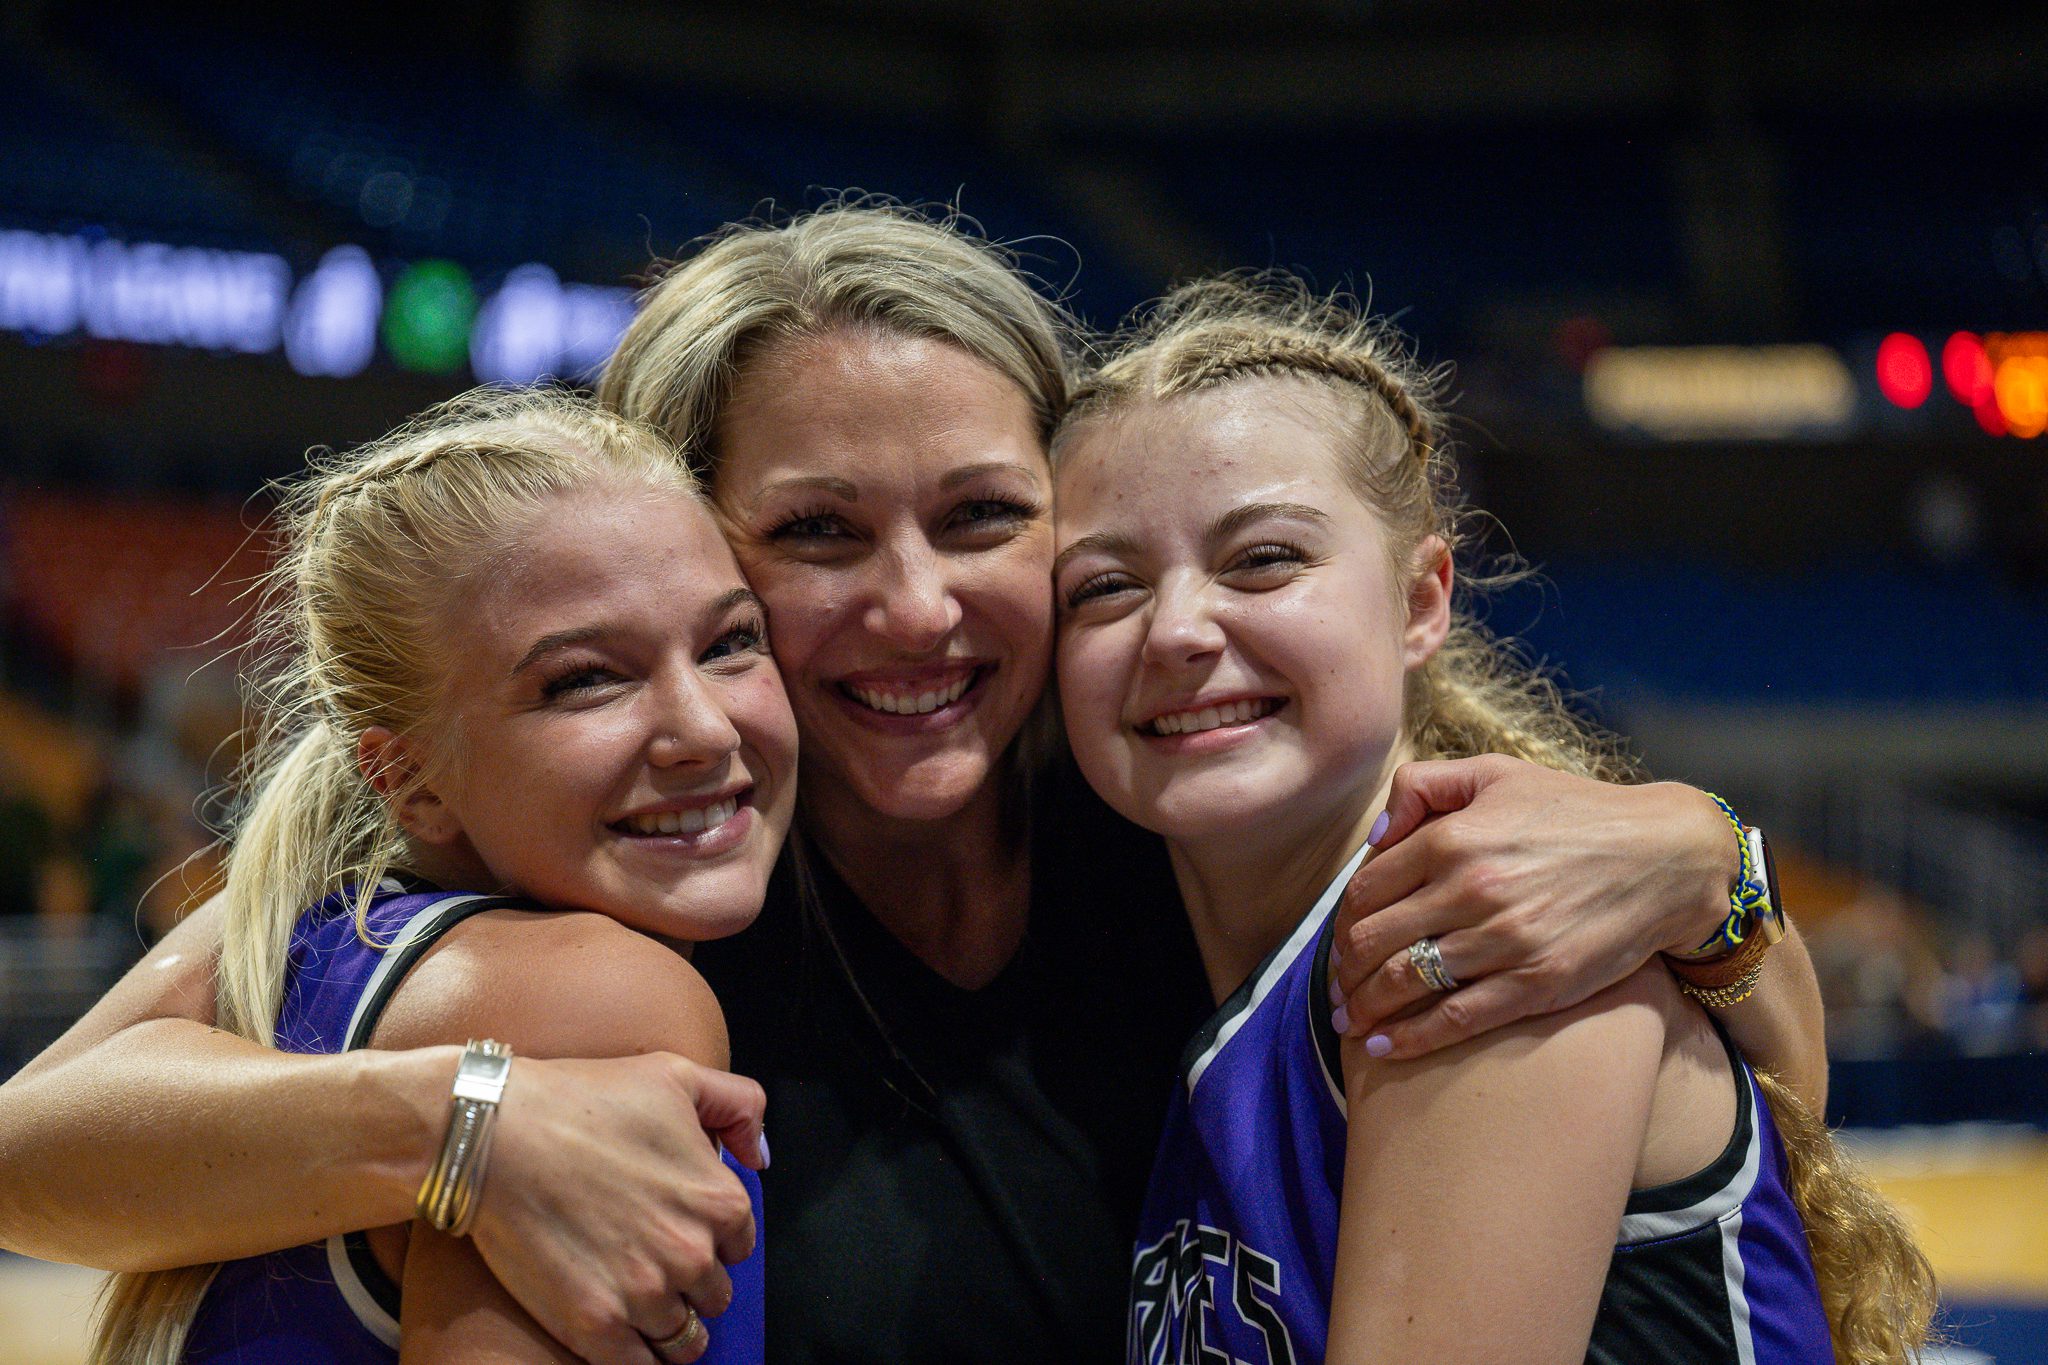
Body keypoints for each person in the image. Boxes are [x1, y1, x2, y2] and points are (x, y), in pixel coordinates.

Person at [0, 203, 1826, 1365]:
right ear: (683, 546)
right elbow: (36, 1149)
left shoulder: (1191, 814)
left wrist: (1706, 867)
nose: (915, 607)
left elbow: (1763, 1121)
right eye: (814, 534)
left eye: (981, 519)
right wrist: (462, 1121)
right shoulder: (618, 891)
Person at [1049, 274, 1934, 1364]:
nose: (1177, 628)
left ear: (1421, 600)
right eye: (1103, 586)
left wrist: (1715, 865)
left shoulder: (1490, 936)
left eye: (1263, 559)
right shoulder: (1187, 958)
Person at [91, 390, 794, 1364]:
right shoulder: (598, 998)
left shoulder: (312, 939)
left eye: (729, 643)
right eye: (586, 679)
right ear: (408, 780)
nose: (705, 729)